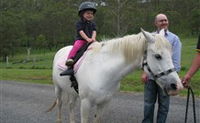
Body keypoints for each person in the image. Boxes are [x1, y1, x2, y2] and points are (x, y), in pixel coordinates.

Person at [141, 13, 182, 123]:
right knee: (148, 103)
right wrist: (144, 72)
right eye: (161, 21)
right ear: (156, 23)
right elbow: (145, 57)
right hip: (151, 77)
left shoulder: (174, 39)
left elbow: (176, 60)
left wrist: (175, 77)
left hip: (167, 78)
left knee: (164, 105)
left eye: (165, 20)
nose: (164, 22)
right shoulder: (149, 37)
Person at [60, 1, 97, 76]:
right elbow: (81, 32)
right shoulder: (79, 23)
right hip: (81, 40)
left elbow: (94, 31)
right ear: (82, 14)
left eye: (91, 13)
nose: (90, 15)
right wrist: (87, 39)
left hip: (91, 40)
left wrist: (93, 38)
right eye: (88, 13)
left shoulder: (93, 23)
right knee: (76, 46)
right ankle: (70, 62)